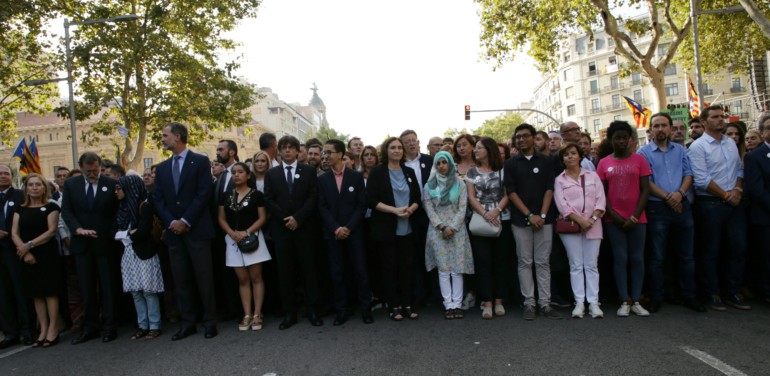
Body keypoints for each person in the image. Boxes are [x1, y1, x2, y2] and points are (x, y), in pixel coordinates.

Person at [153, 122, 219, 340]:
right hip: (174, 233)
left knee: (204, 279)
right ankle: (188, 322)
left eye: (165, 135)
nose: (162, 139)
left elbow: (204, 194)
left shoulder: (199, 161)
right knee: (181, 280)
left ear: (178, 137)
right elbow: (158, 199)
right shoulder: (162, 168)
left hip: (197, 230)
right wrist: (172, 222)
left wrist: (186, 220)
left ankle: (210, 321)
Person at [637, 113, 704, 313]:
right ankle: (657, 297)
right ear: (650, 130)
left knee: (687, 256)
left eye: (664, 125)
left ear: (669, 128)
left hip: (682, 207)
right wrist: (668, 197)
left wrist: (680, 194)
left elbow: (688, 174)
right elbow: (646, 182)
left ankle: (689, 296)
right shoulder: (644, 153)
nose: (660, 129)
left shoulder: (681, 151)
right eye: (656, 126)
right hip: (658, 208)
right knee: (657, 257)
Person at [688, 105, 749, 311]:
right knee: (711, 250)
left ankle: (733, 291)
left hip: (734, 202)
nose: (720, 120)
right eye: (715, 117)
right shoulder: (698, 147)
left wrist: (738, 190)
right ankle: (712, 292)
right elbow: (701, 179)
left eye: (722, 116)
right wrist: (725, 195)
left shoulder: (731, 143)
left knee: (738, 248)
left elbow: (740, 169)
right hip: (710, 204)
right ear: (704, 122)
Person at [264, 135, 323, 329]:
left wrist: (298, 218)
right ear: (279, 151)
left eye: (291, 147)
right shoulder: (272, 174)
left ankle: (313, 309)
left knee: (310, 271)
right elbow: (269, 200)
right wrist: (286, 219)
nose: (287, 150)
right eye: (284, 148)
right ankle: (289, 313)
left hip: (304, 228)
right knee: (285, 272)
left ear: (298, 151)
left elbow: (312, 197)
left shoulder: (308, 172)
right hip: (282, 230)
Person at [61, 152, 120, 344]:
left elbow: (117, 213)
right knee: (86, 287)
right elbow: (67, 211)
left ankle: (110, 326)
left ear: (100, 166)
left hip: (105, 243)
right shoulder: (71, 185)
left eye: (96, 170)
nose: (93, 174)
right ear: (81, 168)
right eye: (89, 171)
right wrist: (78, 229)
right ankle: (91, 327)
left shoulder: (111, 185)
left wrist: (109, 234)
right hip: (82, 244)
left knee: (108, 286)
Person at [505, 124, 561, 320]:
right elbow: (511, 192)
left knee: (543, 262)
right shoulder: (511, 164)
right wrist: (529, 215)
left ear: (533, 138)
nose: (521, 140)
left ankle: (545, 303)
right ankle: (529, 303)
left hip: (545, 220)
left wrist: (542, 216)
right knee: (524, 262)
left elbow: (549, 189)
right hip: (521, 220)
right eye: (517, 137)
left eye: (525, 136)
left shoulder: (547, 161)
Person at [597, 121, 651, 317]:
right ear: (610, 140)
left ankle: (636, 299)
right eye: (616, 138)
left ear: (630, 139)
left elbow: (645, 190)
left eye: (624, 137)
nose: (621, 141)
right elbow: (601, 193)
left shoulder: (640, 160)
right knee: (620, 258)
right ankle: (624, 300)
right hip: (613, 220)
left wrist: (635, 216)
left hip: (638, 218)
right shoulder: (603, 163)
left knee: (637, 258)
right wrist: (613, 215)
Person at [318, 139, 373, 325]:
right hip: (333, 233)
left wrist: (348, 227)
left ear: (340, 154)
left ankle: (366, 308)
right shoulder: (322, 179)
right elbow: (322, 207)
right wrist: (336, 228)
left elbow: (361, 205)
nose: (325, 155)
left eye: (329, 152)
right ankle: (342, 309)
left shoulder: (356, 177)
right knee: (337, 273)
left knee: (361, 270)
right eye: (324, 152)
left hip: (354, 232)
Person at [366, 137, 421, 321]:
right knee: (389, 268)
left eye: (399, 147)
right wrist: (394, 210)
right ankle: (394, 305)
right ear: (386, 151)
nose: (397, 150)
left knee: (407, 267)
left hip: (407, 228)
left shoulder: (409, 171)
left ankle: (407, 303)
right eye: (393, 147)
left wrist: (410, 210)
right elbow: (371, 200)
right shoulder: (377, 172)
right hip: (386, 228)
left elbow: (417, 198)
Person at [553, 143, 606, 318]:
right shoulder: (560, 180)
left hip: (593, 225)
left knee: (591, 265)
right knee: (576, 265)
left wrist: (591, 219)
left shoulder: (592, 176)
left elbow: (601, 201)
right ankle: (579, 302)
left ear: (579, 156)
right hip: (571, 226)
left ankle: (594, 302)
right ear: (562, 159)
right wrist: (580, 221)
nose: (570, 157)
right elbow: (562, 205)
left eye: (573, 153)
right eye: (566, 154)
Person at [217, 162, 270, 331]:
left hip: (253, 239)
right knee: (243, 279)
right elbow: (221, 218)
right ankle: (247, 314)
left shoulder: (257, 195)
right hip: (232, 241)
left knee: (256, 278)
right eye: (234, 172)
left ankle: (257, 313)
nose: (236, 175)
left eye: (240, 172)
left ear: (248, 175)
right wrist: (232, 233)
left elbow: (262, 218)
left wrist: (246, 232)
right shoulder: (225, 196)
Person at [11, 174, 62, 348]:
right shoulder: (20, 209)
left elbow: (51, 231)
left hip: (46, 253)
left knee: (49, 292)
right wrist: (24, 251)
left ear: (44, 187)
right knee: (36, 294)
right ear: (26, 188)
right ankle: (43, 329)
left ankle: (53, 329)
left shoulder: (51, 207)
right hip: (26, 256)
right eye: (31, 185)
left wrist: (29, 245)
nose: (34, 187)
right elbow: (14, 233)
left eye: (38, 184)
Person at [465, 138, 513, 319]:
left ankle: (499, 301)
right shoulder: (471, 171)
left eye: (479, 148)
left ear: (489, 150)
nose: (475, 151)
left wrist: (497, 210)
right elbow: (471, 197)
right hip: (479, 220)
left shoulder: (503, 169)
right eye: (475, 148)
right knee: (483, 262)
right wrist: (485, 213)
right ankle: (487, 302)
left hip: (503, 219)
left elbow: (508, 194)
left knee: (501, 261)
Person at [423, 151, 473, 319]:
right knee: (443, 270)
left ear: (451, 163)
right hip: (438, 231)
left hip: (457, 231)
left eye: (445, 162)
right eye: (438, 163)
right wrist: (443, 227)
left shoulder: (460, 184)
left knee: (457, 270)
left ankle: (457, 304)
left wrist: (452, 227)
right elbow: (429, 209)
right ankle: (448, 305)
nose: (442, 166)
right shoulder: (429, 186)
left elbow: (463, 207)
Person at [114, 175, 165, 340]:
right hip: (128, 254)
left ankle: (155, 325)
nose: (116, 192)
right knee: (136, 291)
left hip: (145, 252)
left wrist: (126, 234)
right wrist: (128, 233)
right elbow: (114, 232)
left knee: (149, 290)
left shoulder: (144, 206)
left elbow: (142, 231)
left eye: (119, 188)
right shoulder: (121, 208)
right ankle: (142, 325)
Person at [0, 165, 33, 349]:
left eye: (6, 173)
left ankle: (27, 330)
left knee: (21, 291)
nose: (3, 176)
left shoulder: (20, 196)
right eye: (0, 174)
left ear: (12, 177)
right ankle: (10, 332)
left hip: (16, 251)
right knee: (2, 294)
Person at [745, 114, 770, 304]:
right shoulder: (754, 157)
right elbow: (756, 189)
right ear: (763, 133)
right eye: (769, 128)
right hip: (765, 216)